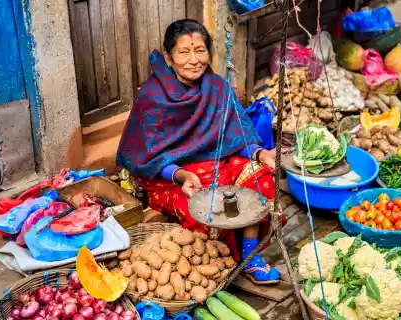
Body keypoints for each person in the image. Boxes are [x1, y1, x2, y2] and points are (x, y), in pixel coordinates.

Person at [117, 19, 281, 284]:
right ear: (169, 57)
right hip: (170, 179)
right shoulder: (152, 96)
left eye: (200, 51)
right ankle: (218, 263)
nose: (194, 60)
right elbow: (145, 154)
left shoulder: (217, 88)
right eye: (184, 52)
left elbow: (237, 134)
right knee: (201, 208)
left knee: (261, 180)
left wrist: (261, 154)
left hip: (219, 163)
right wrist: (180, 174)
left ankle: (250, 258)